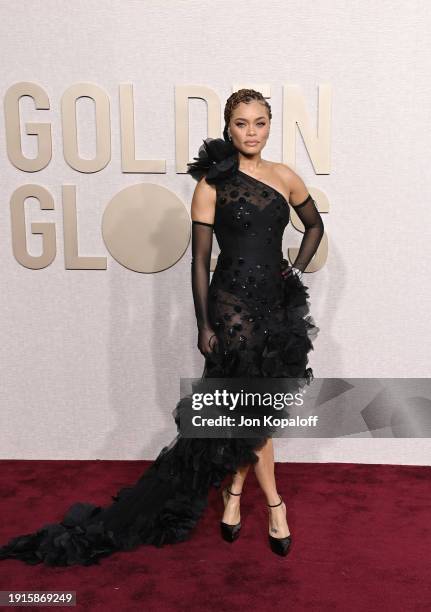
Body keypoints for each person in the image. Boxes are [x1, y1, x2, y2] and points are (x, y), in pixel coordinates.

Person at [0, 89, 323, 566]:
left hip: (274, 309)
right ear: (227, 127)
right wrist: (203, 322)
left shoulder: (285, 177)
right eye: (241, 123)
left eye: (259, 123)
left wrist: (293, 269)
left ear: (269, 125)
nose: (251, 132)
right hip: (231, 308)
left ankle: (234, 495)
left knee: (254, 411)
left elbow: (313, 226)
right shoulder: (213, 184)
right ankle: (276, 506)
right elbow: (198, 260)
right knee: (251, 411)